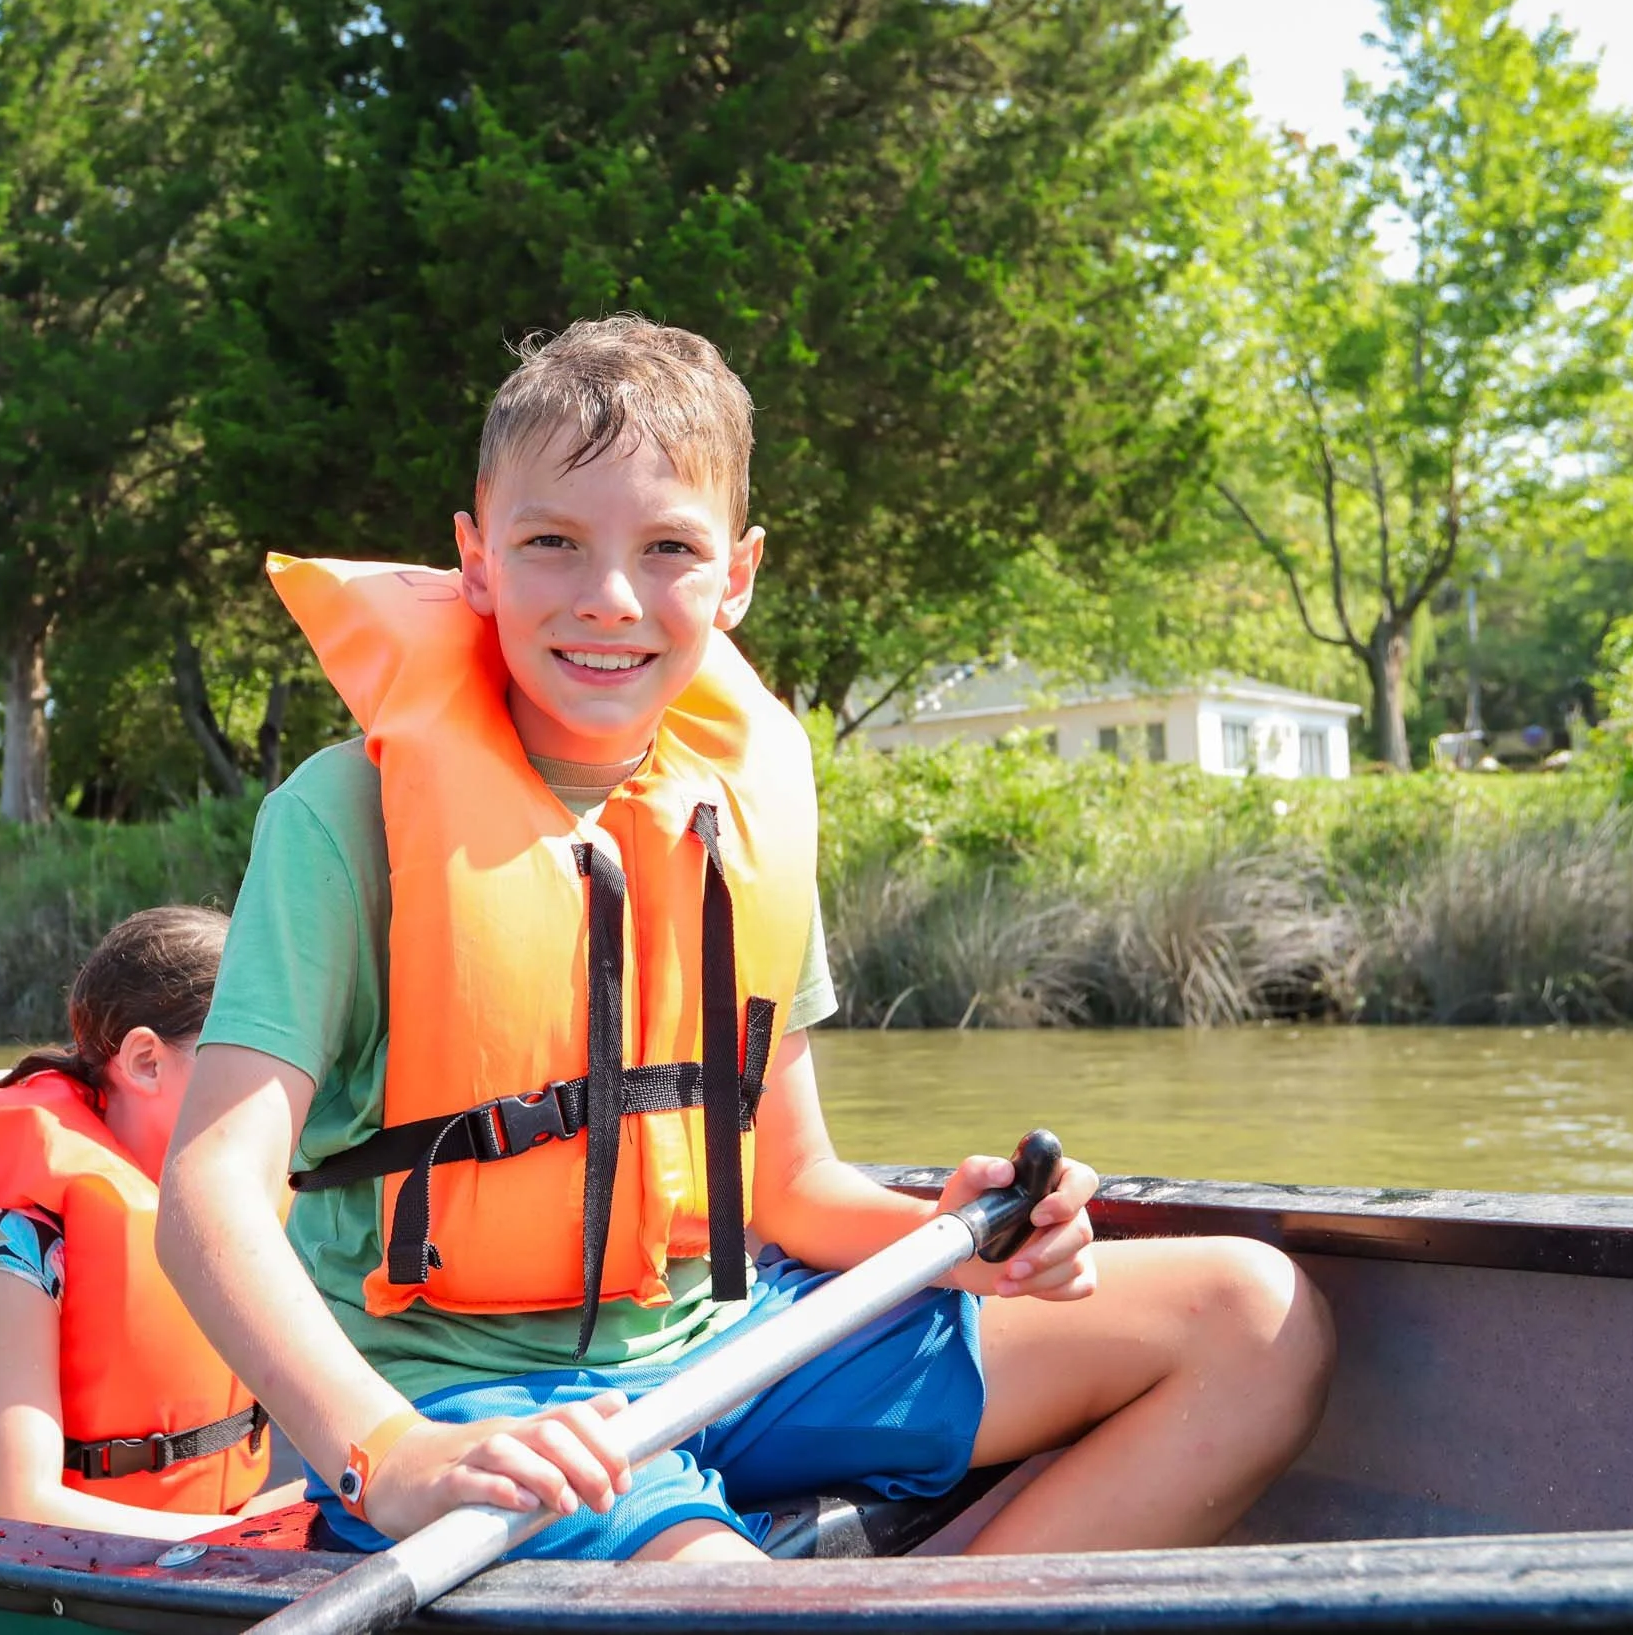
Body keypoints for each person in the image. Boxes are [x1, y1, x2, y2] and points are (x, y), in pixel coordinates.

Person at [155, 316, 1336, 1564]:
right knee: (733, 1600)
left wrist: (963, 1240)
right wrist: (384, 1450)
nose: (607, 597)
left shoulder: (739, 808)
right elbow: (207, 1194)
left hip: (736, 1344)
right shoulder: (342, 819)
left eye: (667, 547)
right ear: (476, 555)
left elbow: (789, 1188)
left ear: (738, 573)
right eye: (552, 541)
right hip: (473, 1403)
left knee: (1258, 1318)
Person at [0, 907, 302, 1538]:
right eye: (247, 1050)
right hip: (93, 1552)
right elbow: (23, 1505)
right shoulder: (31, 1239)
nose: (277, 1085)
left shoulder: (256, 1194)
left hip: (229, 1528)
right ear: (145, 1062)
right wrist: (234, 1540)